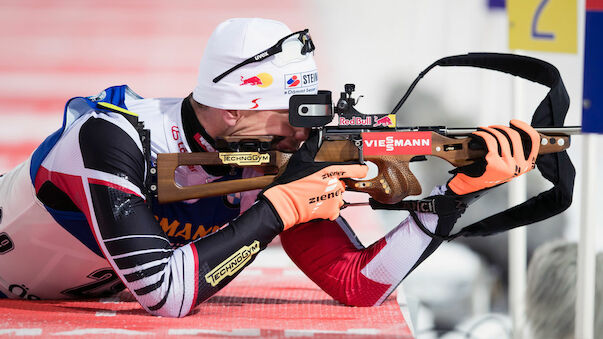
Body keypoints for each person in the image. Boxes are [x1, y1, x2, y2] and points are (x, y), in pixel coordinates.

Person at [0, 18, 540, 317]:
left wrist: (455, 197)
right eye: (292, 114)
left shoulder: (269, 158)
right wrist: (277, 211)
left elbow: (359, 286)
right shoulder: (114, 137)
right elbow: (165, 294)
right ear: (235, 108)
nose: (304, 132)